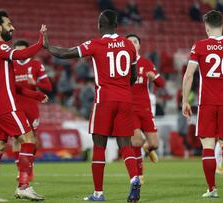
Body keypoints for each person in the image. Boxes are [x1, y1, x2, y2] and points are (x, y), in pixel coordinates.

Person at [43, 9, 141, 202]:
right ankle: (135, 178)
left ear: (99, 25)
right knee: (125, 145)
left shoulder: (96, 44)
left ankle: (98, 193)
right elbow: (134, 76)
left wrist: (48, 46)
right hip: (125, 98)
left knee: (99, 145)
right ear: (116, 25)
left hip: (104, 99)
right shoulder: (129, 45)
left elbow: (66, 53)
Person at [0, 9, 47, 202]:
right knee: (29, 138)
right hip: (6, 104)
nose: (12, 27)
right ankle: (23, 186)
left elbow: (9, 83)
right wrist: (41, 42)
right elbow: (22, 53)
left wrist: (35, 94)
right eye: (9, 24)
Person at [182, 10, 223, 198]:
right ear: (222, 26)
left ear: (207, 28)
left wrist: (185, 100)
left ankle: (212, 189)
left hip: (207, 102)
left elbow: (189, 74)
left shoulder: (199, 46)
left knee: (208, 145)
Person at [126, 34, 166, 183]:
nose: (132, 44)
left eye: (135, 41)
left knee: (154, 144)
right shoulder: (121, 64)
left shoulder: (146, 63)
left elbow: (162, 83)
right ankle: (139, 175)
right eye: (128, 42)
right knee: (136, 141)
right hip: (130, 109)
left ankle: (147, 148)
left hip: (146, 110)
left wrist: (154, 78)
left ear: (139, 46)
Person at [12, 39, 52, 182]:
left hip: (31, 107)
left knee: (32, 139)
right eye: (18, 51)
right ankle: (22, 172)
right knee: (16, 138)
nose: (21, 54)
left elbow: (48, 87)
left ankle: (30, 168)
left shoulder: (36, 65)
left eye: (23, 50)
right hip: (15, 106)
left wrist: (35, 83)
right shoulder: (10, 65)